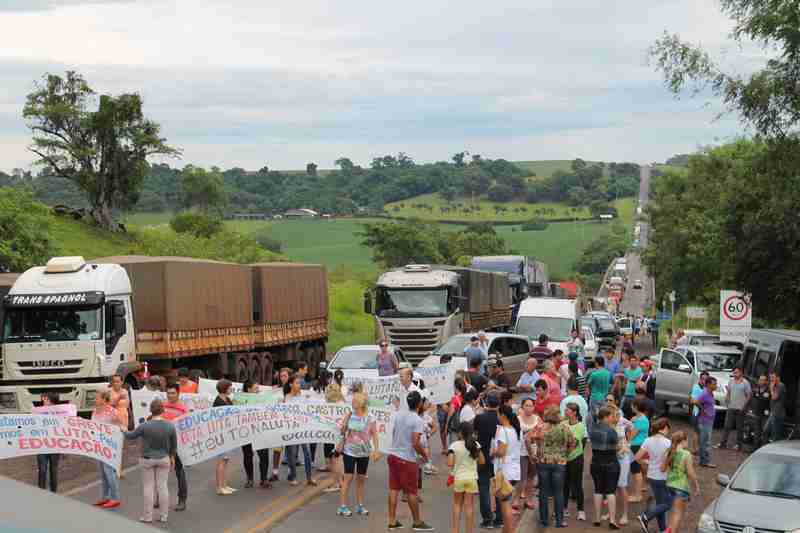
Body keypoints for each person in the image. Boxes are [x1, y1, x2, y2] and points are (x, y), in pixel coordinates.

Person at [124, 398, 177, 525]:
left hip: (147, 459)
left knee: (148, 487)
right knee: (162, 487)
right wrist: (172, 456)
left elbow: (130, 436)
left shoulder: (144, 426)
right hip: (164, 458)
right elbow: (174, 445)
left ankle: (148, 516)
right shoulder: (170, 425)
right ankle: (164, 516)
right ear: (163, 410)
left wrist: (123, 429)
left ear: (150, 410)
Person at [386, 390, 433, 531]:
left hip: (393, 455)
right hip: (407, 459)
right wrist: (425, 455)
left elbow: (392, 432)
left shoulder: (398, 415)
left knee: (393, 489)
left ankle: (392, 520)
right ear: (419, 404)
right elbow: (415, 442)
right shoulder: (417, 420)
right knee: (412, 492)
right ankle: (417, 522)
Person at [337, 391, 380, 517]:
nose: (352, 402)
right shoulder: (350, 415)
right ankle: (343, 506)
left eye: (355, 401)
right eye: (352, 400)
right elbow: (342, 431)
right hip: (349, 451)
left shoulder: (370, 417)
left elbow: (375, 434)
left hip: (364, 452)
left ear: (360, 403)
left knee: (361, 479)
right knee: (348, 478)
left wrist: (376, 450)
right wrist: (345, 422)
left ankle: (360, 506)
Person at [532, 405, 575, 528]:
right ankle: (559, 520)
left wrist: (534, 454)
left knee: (543, 492)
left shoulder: (540, 427)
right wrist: (566, 455)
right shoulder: (564, 428)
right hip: (559, 463)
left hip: (543, 462)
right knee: (558, 492)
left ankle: (544, 520)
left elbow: (529, 439)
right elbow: (573, 443)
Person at [634, 418, 672, 533]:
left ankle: (663, 529)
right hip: (663, 476)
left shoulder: (648, 440)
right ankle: (645, 516)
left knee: (660, 503)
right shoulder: (668, 443)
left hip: (651, 475)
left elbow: (637, 457)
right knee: (667, 504)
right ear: (664, 428)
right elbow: (670, 461)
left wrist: (647, 463)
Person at [448, 421, 484, 533]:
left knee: (457, 505)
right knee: (469, 507)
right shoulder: (476, 445)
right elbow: (482, 461)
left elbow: (450, 463)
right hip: (472, 479)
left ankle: (455, 530)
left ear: (460, 433)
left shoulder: (454, 445)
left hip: (459, 478)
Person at [491, 404, 522, 533]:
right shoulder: (515, 430)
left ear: (503, 415)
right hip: (514, 471)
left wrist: (493, 452)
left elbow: (502, 451)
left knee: (505, 507)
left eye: (498, 414)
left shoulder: (503, 431)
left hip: (505, 472)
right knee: (506, 503)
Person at [664, 431, 700, 533]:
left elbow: (663, 468)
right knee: (678, 513)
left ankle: (669, 531)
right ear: (683, 441)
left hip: (669, 484)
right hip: (681, 486)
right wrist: (696, 485)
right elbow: (690, 472)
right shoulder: (686, 454)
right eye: (687, 440)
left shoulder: (669, 451)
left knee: (672, 512)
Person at [284, 374, 317, 487]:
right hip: (291, 430)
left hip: (303, 430)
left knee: (307, 454)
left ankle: (309, 478)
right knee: (292, 454)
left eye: (300, 383)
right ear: (291, 384)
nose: (299, 385)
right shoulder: (286, 398)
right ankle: (292, 476)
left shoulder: (304, 396)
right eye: (297, 383)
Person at [474, 393, 501, 529]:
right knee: (498, 487)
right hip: (498, 456)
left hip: (482, 456)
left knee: (483, 487)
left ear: (487, 404)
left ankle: (487, 519)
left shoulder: (480, 418)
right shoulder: (501, 419)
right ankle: (499, 518)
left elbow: (474, 433)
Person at [92, 389, 122, 509]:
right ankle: (105, 497)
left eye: (97, 397)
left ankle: (115, 498)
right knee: (103, 473)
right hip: (99, 445)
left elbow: (121, 426)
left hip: (109, 445)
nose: (95, 399)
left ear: (104, 399)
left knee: (109, 472)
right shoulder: (95, 411)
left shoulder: (112, 412)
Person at [239, 381, 272, 489]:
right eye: (256, 388)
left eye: (258, 388)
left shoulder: (262, 400)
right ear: (249, 390)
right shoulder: (240, 401)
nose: (258, 391)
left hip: (260, 431)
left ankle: (264, 479)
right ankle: (250, 479)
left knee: (264, 455)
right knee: (248, 456)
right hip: (246, 432)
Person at [162, 383, 188, 511]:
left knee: (179, 473)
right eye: (168, 393)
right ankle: (160, 499)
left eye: (173, 393)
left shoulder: (183, 409)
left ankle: (182, 500)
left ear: (178, 393)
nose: (170, 395)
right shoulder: (163, 406)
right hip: (163, 444)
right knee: (161, 473)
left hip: (177, 446)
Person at [514, 397, 542, 512]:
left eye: (531, 406)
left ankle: (528, 499)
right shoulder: (518, 419)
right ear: (522, 407)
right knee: (521, 477)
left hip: (534, 452)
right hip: (521, 451)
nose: (529, 408)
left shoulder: (537, 419)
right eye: (526, 405)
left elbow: (541, 433)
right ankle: (516, 499)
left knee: (531, 477)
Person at [563, 402, 587, 522]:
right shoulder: (563, 423)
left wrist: (564, 455)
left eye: (567, 410)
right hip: (564, 459)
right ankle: (564, 508)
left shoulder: (580, 426)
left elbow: (574, 444)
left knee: (577, 485)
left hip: (576, 459)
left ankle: (581, 510)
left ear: (574, 413)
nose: (565, 412)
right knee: (565, 484)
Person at [717, 366, 751, 450]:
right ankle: (723, 443)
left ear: (741, 373)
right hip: (731, 407)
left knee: (739, 427)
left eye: (737, 372)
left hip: (740, 408)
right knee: (727, 426)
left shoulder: (745, 383)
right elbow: (729, 392)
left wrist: (744, 406)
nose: (735, 374)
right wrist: (727, 399)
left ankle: (738, 445)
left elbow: (749, 395)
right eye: (734, 372)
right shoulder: (731, 381)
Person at [212, 379, 237, 495]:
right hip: (221, 433)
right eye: (230, 387)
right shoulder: (218, 402)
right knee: (221, 461)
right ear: (225, 388)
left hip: (228, 432)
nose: (231, 389)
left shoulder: (227, 399)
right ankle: (219, 487)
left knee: (226, 460)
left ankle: (224, 485)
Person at [610, 405, 632, 527]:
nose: (617, 416)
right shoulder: (608, 424)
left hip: (623, 457)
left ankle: (625, 514)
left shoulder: (622, 420)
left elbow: (632, 427)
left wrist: (628, 443)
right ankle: (611, 513)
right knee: (611, 486)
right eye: (615, 415)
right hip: (612, 457)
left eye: (618, 414)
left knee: (622, 486)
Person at [36, 392, 62, 493]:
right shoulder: (38, 412)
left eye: (45, 399)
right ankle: (41, 492)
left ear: (52, 400)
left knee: (53, 470)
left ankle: (53, 493)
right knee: (42, 470)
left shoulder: (60, 412)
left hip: (55, 445)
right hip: (41, 444)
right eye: (43, 398)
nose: (43, 400)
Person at [324, 382, 346, 487]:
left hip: (333, 436)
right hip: (339, 436)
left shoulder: (329, 406)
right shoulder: (343, 405)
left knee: (335, 460)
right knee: (337, 459)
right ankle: (339, 481)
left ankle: (337, 483)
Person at [628, 399, 649, 504]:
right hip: (640, 446)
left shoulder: (639, 420)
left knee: (636, 472)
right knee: (640, 469)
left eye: (632, 405)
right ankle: (639, 491)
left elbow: (631, 436)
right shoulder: (642, 418)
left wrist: (630, 425)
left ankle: (638, 495)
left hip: (635, 447)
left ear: (636, 407)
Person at [693, 377, 717, 468]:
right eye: (714, 384)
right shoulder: (705, 393)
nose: (716, 385)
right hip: (704, 421)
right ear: (708, 384)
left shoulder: (710, 393)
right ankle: (704, 461)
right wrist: (703, 410)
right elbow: (696, 401)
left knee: (705, 441)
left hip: (708, 420)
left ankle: (704, 460)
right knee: (705, 442)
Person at [587, 356, 611, 432]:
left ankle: (593, 432)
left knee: (593, 417)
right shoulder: (608, 373)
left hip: (595, 397)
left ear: (597, 363)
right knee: (603, 416)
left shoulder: (594, 374)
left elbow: (588, 384)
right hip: (604, 398)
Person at [765, 371, 786, 442]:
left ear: (778, 378)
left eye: (773, 377)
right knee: (766, 430)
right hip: (773, 412)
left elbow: (774, 397)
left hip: (778, 413)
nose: (771, 379)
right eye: (770, 377)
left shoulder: (780, 385)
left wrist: (771, 388)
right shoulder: (774, 386)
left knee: (775, 434)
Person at [751, 374, 771, 447]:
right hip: (757, 413)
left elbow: (770, 401)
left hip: (765, 414)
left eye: (763, 380)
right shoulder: (756, 389)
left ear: (766, 381)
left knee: (765, 431)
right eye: (760, 380)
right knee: (756, 431)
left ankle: (764, 447)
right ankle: (755, 447)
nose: (761, 381)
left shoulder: (769, 390)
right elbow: (753, 399)